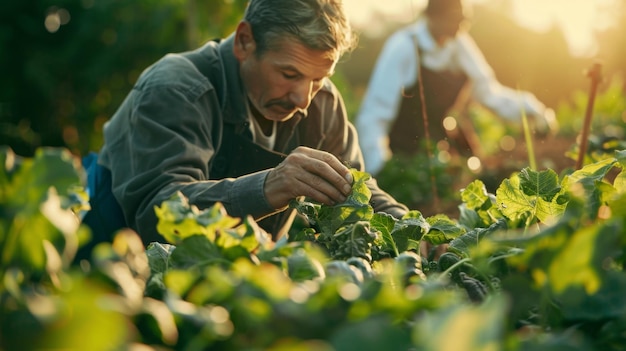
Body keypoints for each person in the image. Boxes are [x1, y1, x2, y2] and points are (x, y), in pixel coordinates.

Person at [78, 0, 408, 259]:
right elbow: (158, 213)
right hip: (112, 270)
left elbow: (355, 194)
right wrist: (270, 185)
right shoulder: (177, 88)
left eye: (319, 79)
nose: (303, 99)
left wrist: (413, 231)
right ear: (244, 41)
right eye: (289, 74)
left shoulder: (322, 104)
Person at [355, 0, 559, 176]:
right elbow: (375, 113)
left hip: (437, 150)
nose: (462, 26)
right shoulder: (403, 46)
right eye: (456, 19)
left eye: (464, 20)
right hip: (401, 152)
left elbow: (489, 93)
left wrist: (534, 111)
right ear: (434, 17)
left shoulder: (459, 45)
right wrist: (379, 169)